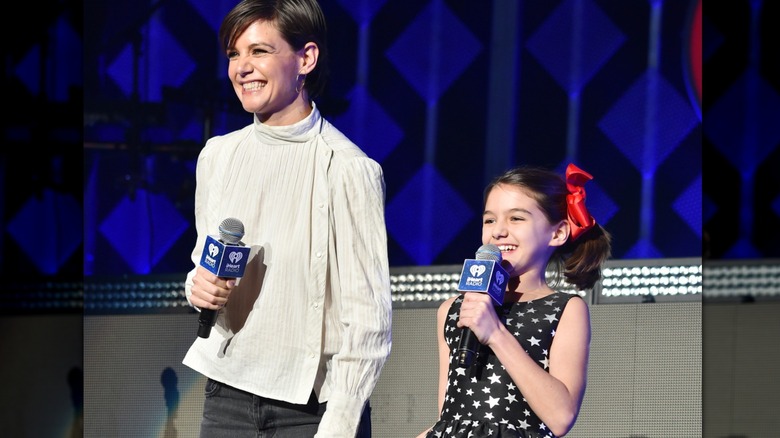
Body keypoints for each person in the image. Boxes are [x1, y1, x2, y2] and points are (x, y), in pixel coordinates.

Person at [181, 1, 393, 437]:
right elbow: (206, 263)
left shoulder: (348, 168)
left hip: (312, 411)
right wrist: (197, 286)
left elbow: (369, 318)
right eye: (234, 54)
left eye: (259, 51)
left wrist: (341, 421)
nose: (242, 67)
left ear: (306, 58)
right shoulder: (218, 156)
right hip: (226, 397)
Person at [417, 163, 612, 438]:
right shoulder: (454, 310)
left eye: (516, 218)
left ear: (557, 233)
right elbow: (450, 418)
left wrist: (495, 333)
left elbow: (560, 417)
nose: (498, 231)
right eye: (489, 220)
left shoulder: (565, 309)